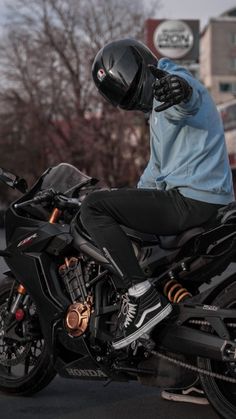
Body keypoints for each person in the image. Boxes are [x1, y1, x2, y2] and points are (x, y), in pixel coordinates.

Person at [80, 38, 234, 351]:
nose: (138, 101)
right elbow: (155, 172)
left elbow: (187, 99)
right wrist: (126, 200)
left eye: (138, 91)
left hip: (191, 202)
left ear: (145, 67)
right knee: (114, 212)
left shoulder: (173, 82)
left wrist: (179, 90)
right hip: (197, 200)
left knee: (94, 208)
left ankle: (140, 297)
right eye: (130, 100)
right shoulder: (157, 116)